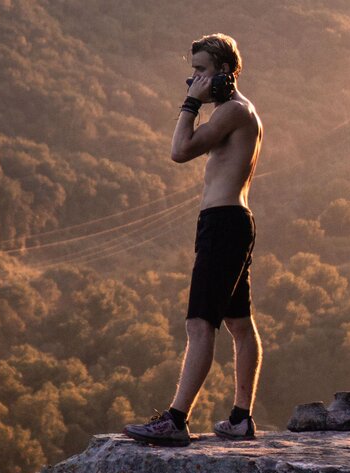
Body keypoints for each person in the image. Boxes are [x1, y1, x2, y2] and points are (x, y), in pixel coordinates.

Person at [123, 33, 264, 447]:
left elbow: (180, 151)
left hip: (223, 224)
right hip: (233, 221)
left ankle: (176, 420)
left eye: (201, 71)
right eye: (192, 73)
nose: (194, 80)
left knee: (199, 324)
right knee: (239, 323)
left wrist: (190, 106)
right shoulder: (240, 111)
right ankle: (241, 418)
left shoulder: (233, 112)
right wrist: (201, 100)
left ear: (224, 71)